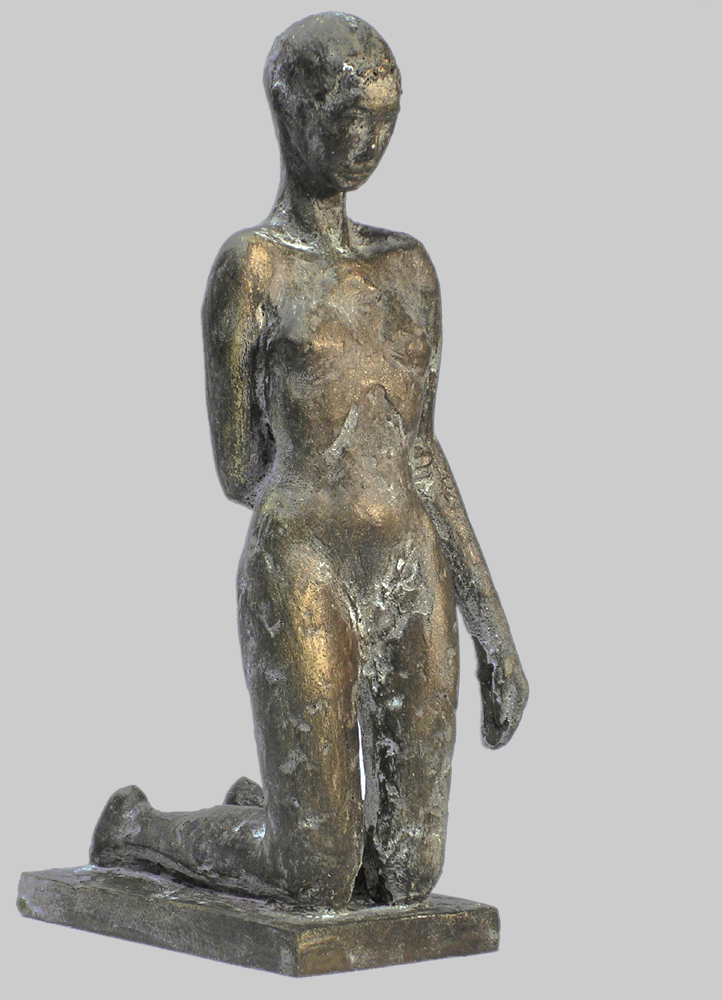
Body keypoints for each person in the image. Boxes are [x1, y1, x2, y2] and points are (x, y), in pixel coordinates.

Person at [90, 12, 528, 910]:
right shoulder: (251, 268)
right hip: (306, 564)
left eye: (386, 119)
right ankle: (139, 827)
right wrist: (324, 488)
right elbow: (239, 470)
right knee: (319, 877)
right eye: (348, 116)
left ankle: (285, 813)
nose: (369, 141)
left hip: (410, 567)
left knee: (406, 874)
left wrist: (493, 630)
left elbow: (420, 451)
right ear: (289, 110)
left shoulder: (410, 269)